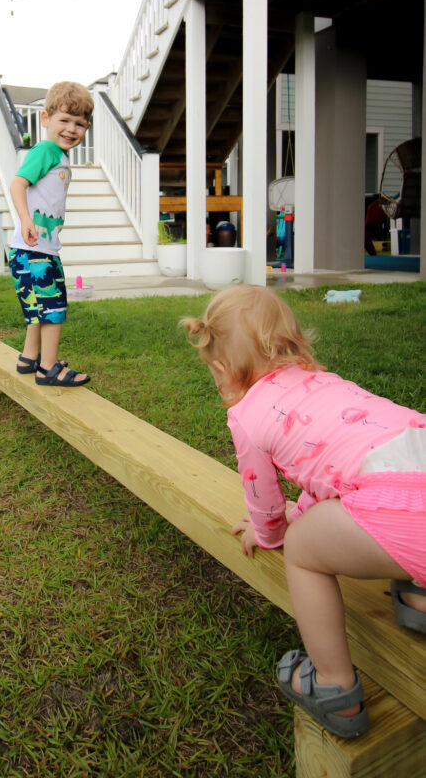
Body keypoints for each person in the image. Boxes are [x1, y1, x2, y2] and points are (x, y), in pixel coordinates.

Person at [180, 285, 425, 739]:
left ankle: (335, 686)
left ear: (220, 369)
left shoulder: (248, 415)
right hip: (416, 462)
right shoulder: (326, 382)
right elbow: (340, 468)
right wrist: (307, 508)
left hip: (396, 510)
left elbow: (264, 499)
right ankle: (418, 595)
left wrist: (271, 531)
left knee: (303, 547)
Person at [8, 80, 93, 388]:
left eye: (80, 124)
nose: (72, 129)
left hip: (32, 251)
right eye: (65, 120)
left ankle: (29, 358)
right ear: (46, 119)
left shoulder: (59, 156)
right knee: (53, 308)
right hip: (35, 251)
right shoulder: (45, 150)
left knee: (38, 308)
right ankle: (48, 369)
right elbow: (17, 184)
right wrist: (26, 219)